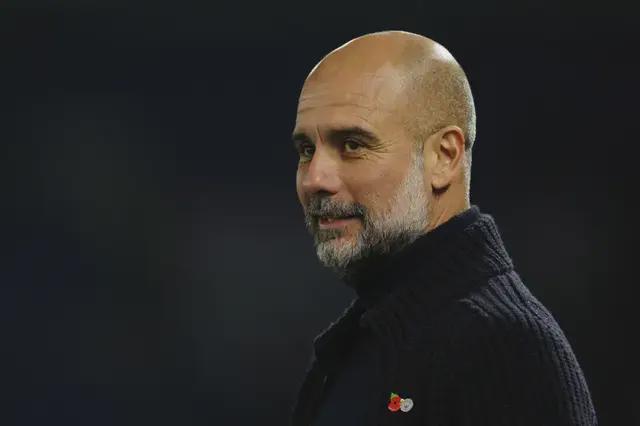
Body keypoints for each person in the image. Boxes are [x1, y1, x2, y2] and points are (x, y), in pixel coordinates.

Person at [289, 30, 597, 425]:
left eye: (352, 144)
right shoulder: (364, 343)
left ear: (444, 157)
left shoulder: (501, 347)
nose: (314, 179)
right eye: (306, 150)